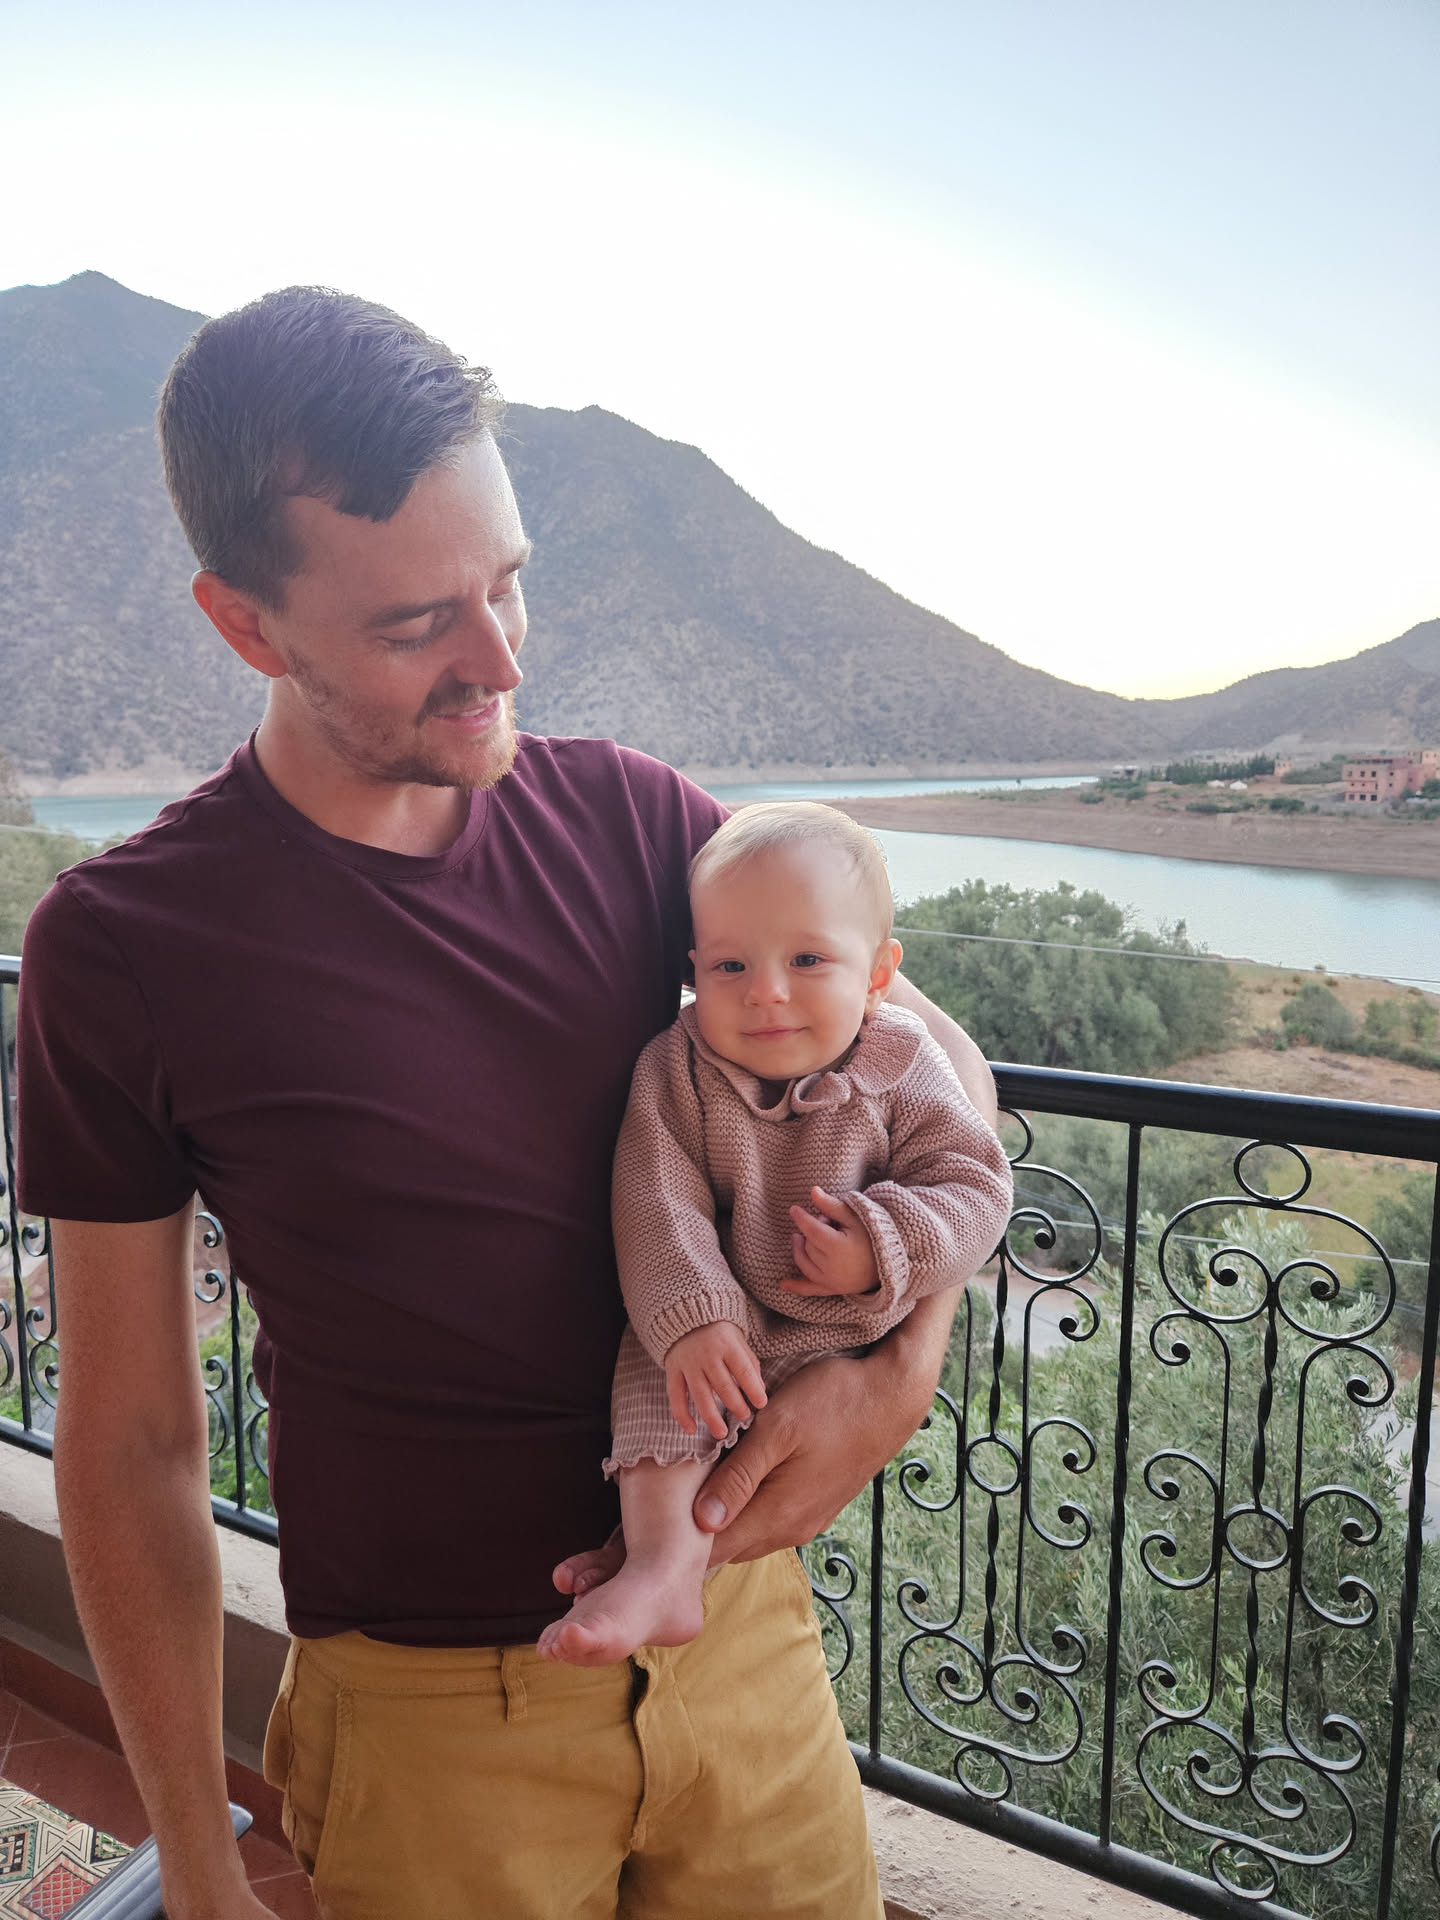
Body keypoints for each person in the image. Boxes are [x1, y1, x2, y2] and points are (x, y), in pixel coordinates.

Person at [15, 286, 1002, 1920]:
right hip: (428, 1722)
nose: (500, 661)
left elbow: (937, 1065)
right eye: (420, 626)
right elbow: (126, 1443)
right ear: (247, 624)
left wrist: (899, 1372)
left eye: (510, 584)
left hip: (740, 1641)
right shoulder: (125, 948)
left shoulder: (636, 821)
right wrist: (195, 1864)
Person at [539, 804, 1012, 1666]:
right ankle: (660, 1567)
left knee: (735, 1450)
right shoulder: (678, 1068)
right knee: (658, 1377)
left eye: (807, 961)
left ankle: (675, 1566)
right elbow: (657, 1196)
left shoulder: (905, 1062)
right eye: (731, 965)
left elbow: (974, 1186)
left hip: (844, 1341)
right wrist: (695, 1316)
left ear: (878, 973)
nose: (765, 991)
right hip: (726, 1323)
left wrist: (881, 1242)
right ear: (694, 973)